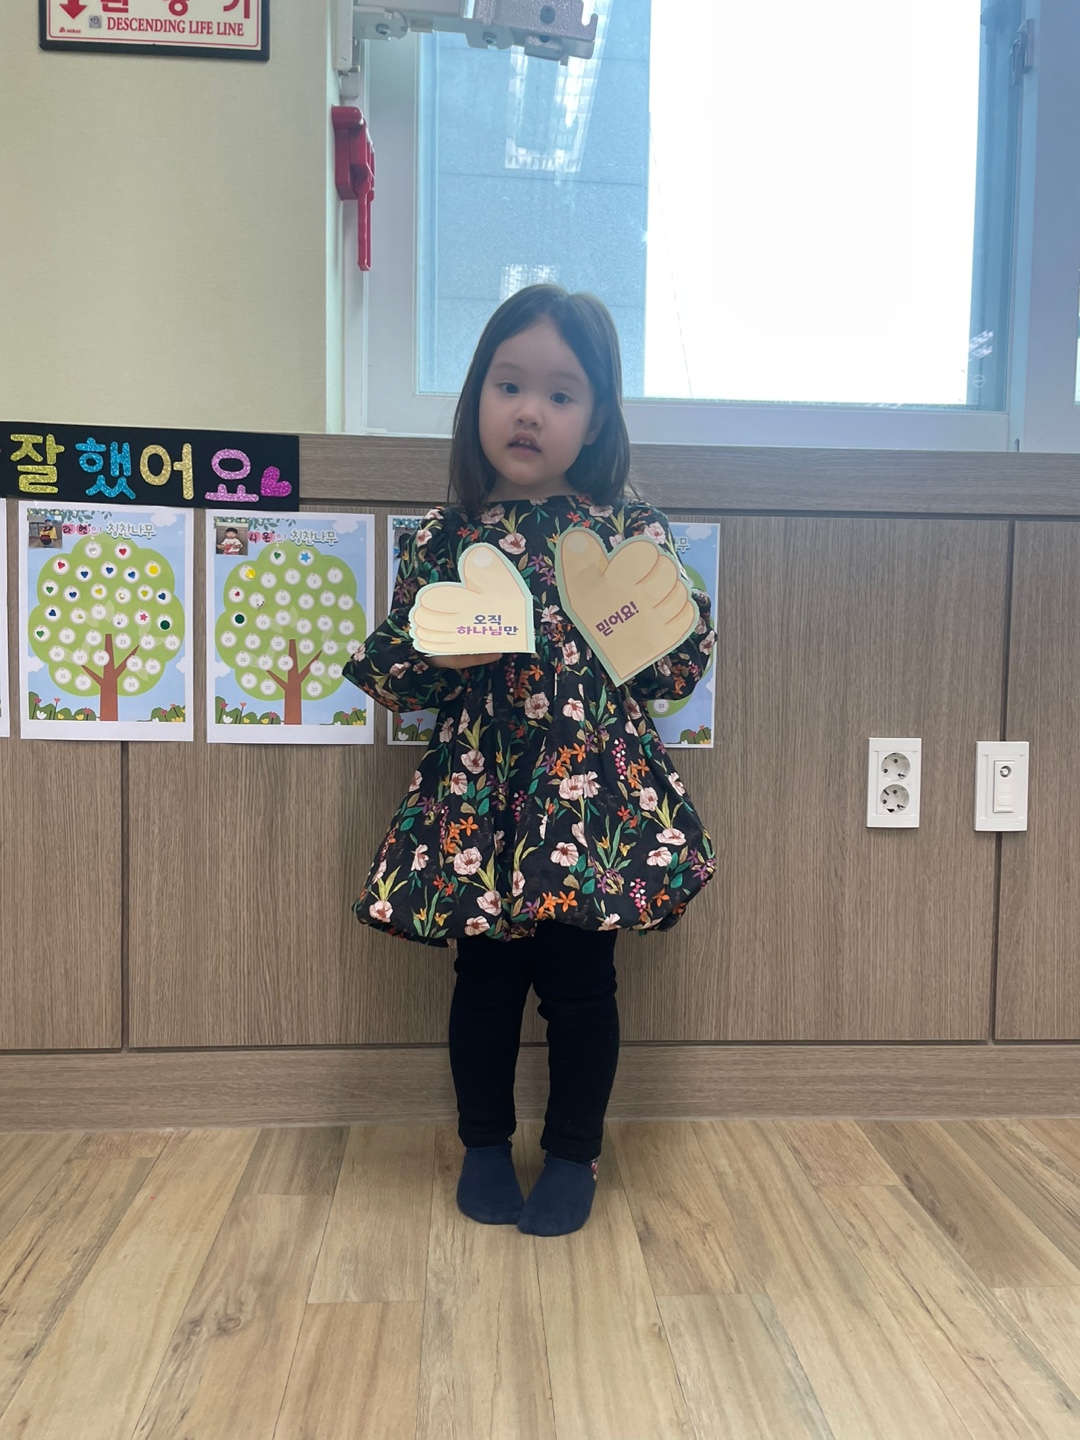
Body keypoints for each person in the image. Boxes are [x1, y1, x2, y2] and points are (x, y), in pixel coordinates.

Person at [344, 284, 717, 1237]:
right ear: (476, 396)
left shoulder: (629, 531)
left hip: (589, 804)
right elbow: (393, 673)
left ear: (596, 418)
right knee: (485, 983)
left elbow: (675, 666)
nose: (529, 411)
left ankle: (573, 1151)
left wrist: (669, 629)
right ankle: (482, 1145)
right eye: (509, 385)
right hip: (481, 797)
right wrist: (438, 654)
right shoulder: (445, 535)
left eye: (560, 393)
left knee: (582, 988)